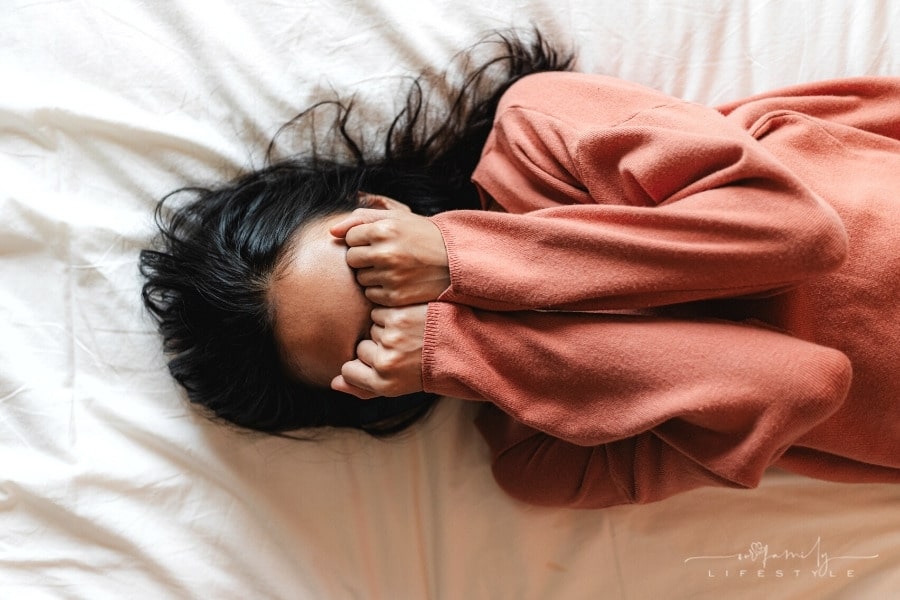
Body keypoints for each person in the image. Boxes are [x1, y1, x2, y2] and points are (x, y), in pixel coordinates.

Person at [140, 29, 900, 509]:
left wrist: (465, 259)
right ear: (376, 390)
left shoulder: (539, 137)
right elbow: (803, 384)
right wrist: (470, 345)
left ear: (373, 206)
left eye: (370, 268)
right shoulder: (544, 459)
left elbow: (798, 233)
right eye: (383, 333)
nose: (408, 304)